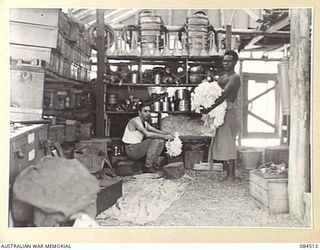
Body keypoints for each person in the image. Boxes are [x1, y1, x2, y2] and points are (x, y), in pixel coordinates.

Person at [202, 50, 241, 181]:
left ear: (235, 62)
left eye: (229, 61)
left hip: (229, 111)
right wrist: (204, 97)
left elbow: (223, 95)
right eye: (225, 61)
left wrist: (209, 108)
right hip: (221, 112)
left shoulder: (234, 77)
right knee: (222, 143)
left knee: (228, 143)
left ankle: (232, 174)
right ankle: (227, 173)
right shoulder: (224, 76)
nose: (226, 63)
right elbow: (214, 90)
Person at [122, 101, 174, 173]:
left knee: (161, 140)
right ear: (139, 112)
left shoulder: (145, 123)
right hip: (132, 150)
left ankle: (154, 163)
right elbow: (147, 134)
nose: (148, 113)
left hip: (137, 147)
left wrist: (171, 133)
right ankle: (148, 166)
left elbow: (157, 131)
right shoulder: (135, 121)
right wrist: (165, 136)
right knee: (155, 139)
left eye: (149, 111)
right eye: (145, 111)